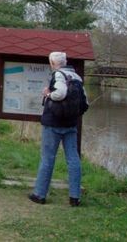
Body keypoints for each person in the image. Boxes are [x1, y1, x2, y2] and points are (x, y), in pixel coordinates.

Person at [30, 51, 85, 207]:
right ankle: (75, 197)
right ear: (65, 61)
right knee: (73, 159)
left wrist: (48, 94)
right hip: (71, 125)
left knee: (47, 158)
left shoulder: (59, 75)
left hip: (53, 124)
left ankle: (39, 194)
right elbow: (85, 102)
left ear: (52, 63)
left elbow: (60, 93)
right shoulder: (77, 77)